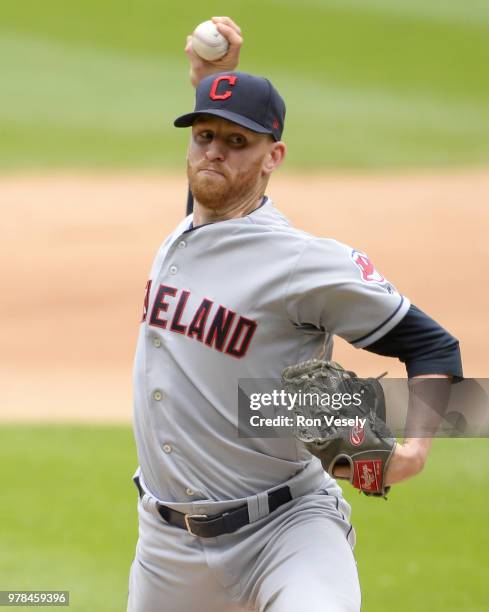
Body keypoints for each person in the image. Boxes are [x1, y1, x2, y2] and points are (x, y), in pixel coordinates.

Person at [127, 17, 462, 612]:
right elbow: (214, 213)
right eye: (205, 136)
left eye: (237, 144)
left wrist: (414, 449)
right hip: (166, 552)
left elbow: (433, 344)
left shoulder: (302, 263)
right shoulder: (188, 235)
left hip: (287, 531)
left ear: (272, 156)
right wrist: (212, 80)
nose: (214, 153)